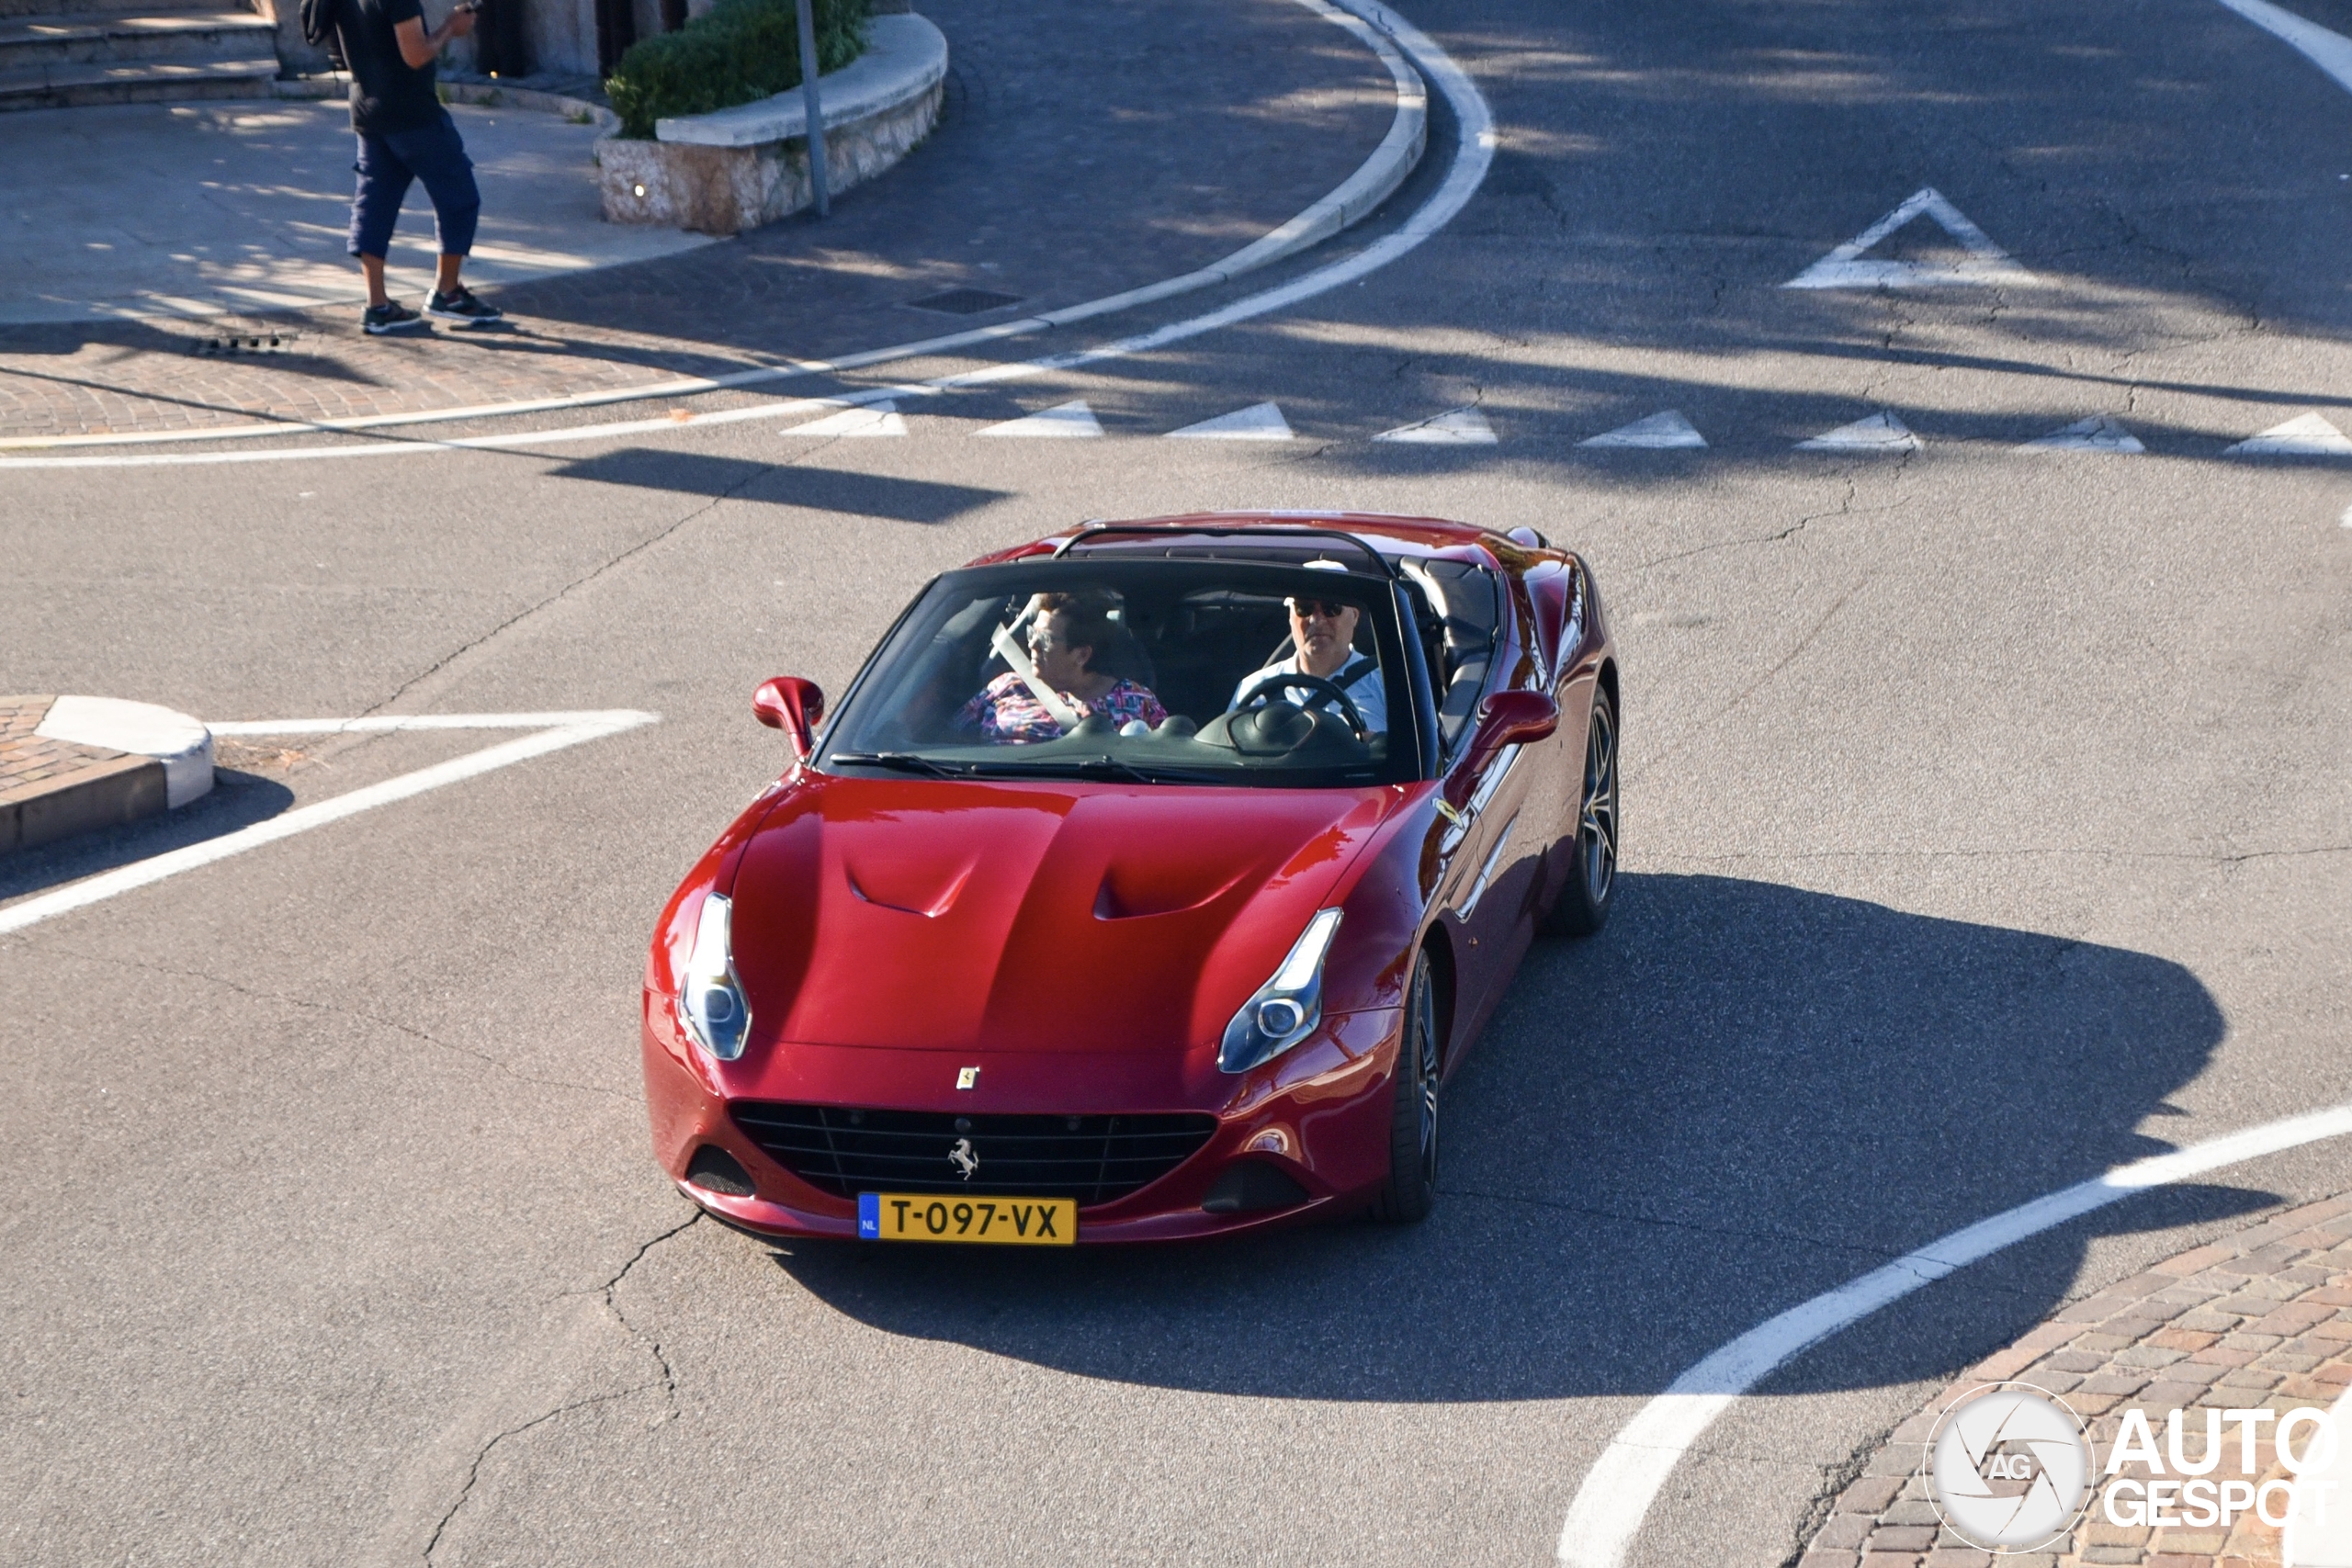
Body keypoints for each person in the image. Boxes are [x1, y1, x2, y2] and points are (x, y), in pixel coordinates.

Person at [333, 0, 505, 334]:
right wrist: (450, 29)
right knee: (459, 195)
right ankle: (449, 292)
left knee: (375, 204)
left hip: (368, 109)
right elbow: (415, 54)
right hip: (413, 114)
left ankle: (377, 304)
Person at [957, 592, 1167, 743]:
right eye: (1033, 633)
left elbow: (1166, 757)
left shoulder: (1136, 701)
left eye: (1046, 639)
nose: (1032, 645)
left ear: (1082, 654)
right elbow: (950, 738)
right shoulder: (1007, 685)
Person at [1229, 591, 1386, 734]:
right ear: (1290, 618)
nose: (1316, 620)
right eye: (1304, 609)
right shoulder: (1255, 689)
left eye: (1331, 608)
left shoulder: (1386, 684)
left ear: (1355, 616)